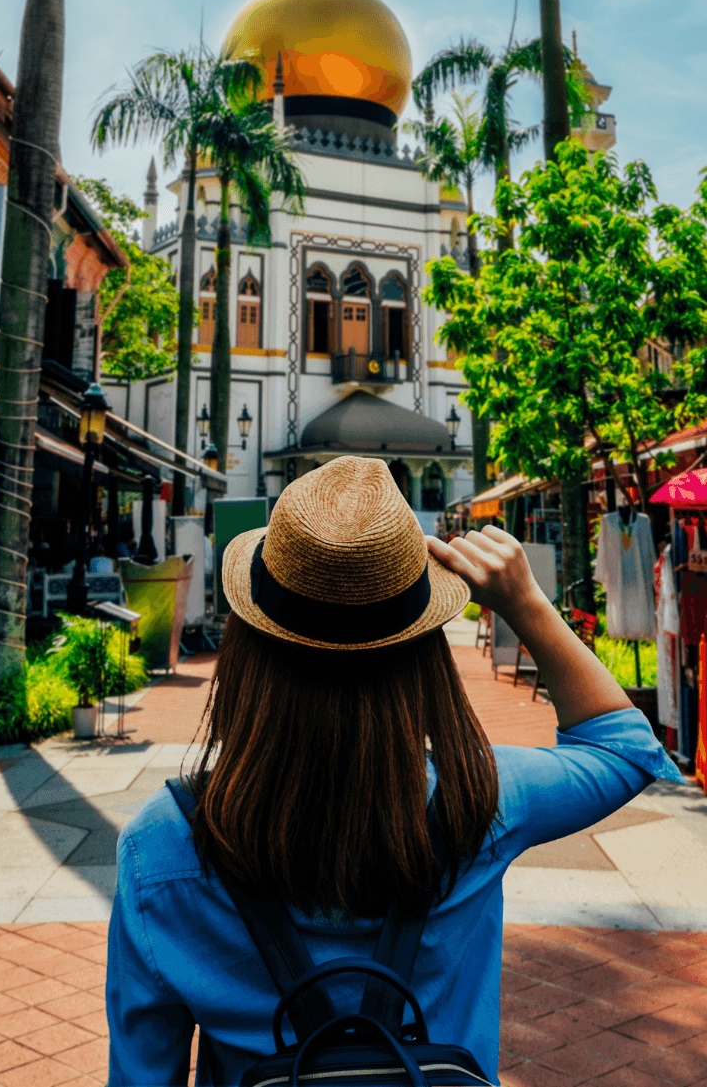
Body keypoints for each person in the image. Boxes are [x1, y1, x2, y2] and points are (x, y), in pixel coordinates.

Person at [107, 456, 676, 1084]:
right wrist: (527, 605)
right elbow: (624, 747)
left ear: (247, 648)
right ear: (423, 653)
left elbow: (142, 1075)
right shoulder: (479, 804)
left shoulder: (163, 845)